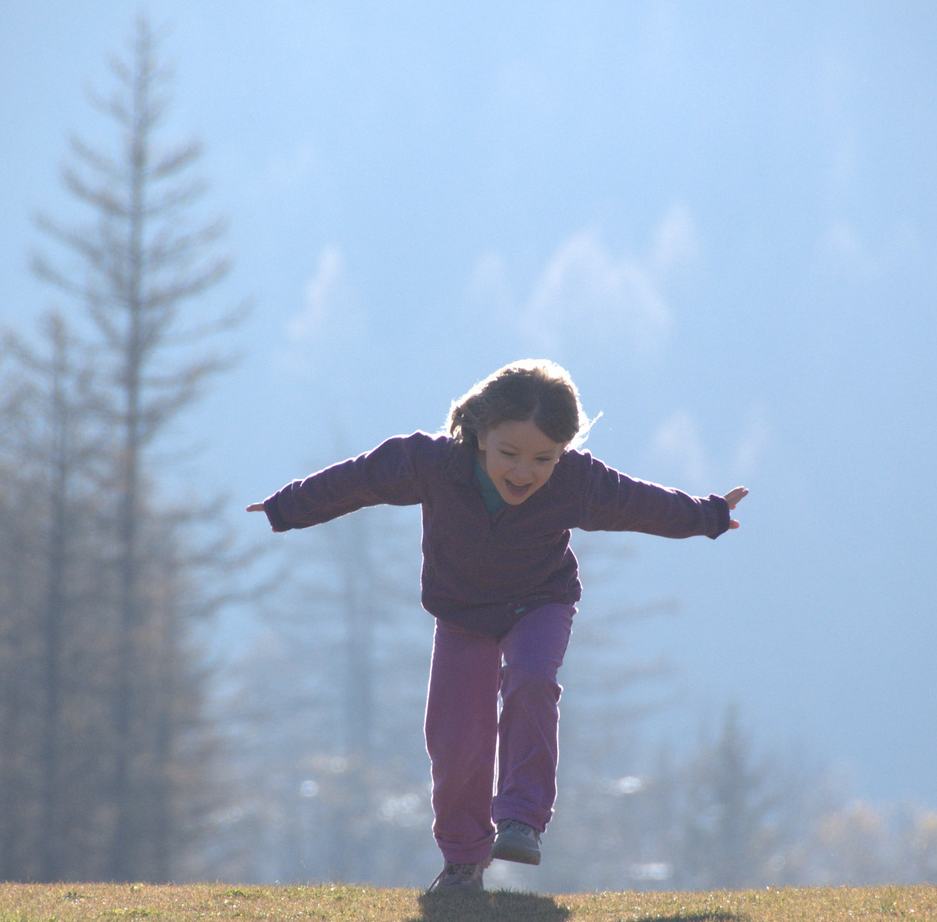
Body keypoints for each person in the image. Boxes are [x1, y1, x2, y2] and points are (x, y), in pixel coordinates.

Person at [248, 360, 747, 892]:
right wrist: (287, 507)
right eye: (509, 454)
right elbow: (359, 479)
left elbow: (641, 504)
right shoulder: (431, 463)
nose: (523, 472)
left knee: (532, 676)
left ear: (564, 452)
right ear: (480, 434)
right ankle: (463, 861)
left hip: (539, 603)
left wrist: (708, 515)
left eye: (543, 459)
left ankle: (520, 820)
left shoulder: (576, 482)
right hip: (463, 615)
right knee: (456, 736)